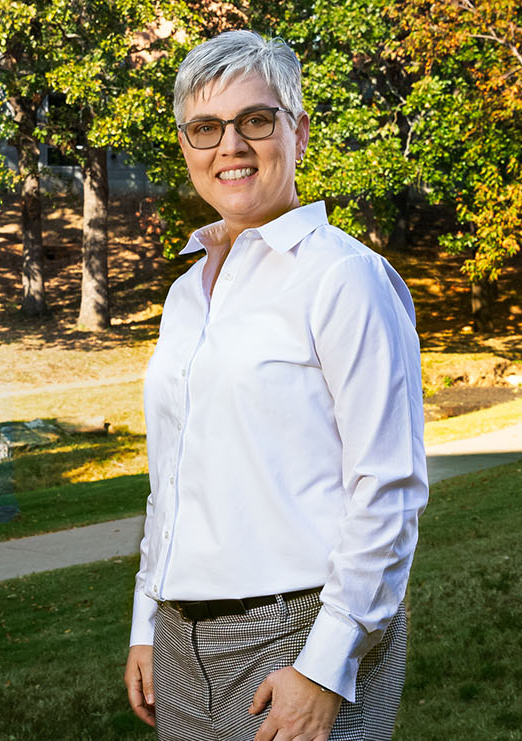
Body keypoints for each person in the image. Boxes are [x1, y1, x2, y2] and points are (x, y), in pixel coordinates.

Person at [123, 31, 428, 741]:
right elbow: (170, 479)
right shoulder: (185, 295)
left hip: (300, 632)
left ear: (298, 128)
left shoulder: (345, 279)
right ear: (185, 145)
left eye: (255, 120)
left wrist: (325, 665)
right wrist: (147, 620)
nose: (231, 145)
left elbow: (390, 483)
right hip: (178, 641)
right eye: (206, 128)